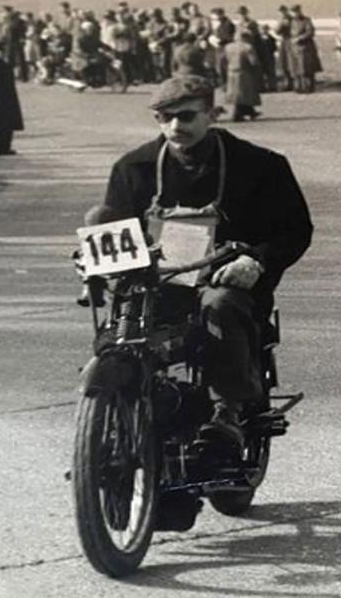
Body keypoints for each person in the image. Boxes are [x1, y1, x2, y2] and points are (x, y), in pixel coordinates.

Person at [101, 75, 312, 449]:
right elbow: (113, 228)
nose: (174, 127)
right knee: (120, 322)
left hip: (227, 280)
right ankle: (113, 415)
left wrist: (257, 260)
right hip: (158, 283)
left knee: (219, 304)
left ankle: (227, 410)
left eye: (185, 116)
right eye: (163, 118)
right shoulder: (133, 169)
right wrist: (99, 264)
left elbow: (295, 229)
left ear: (212, 114)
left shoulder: (260, 165)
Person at [0, 43, 24, 155]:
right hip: (2, 98)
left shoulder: (1, 65)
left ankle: (5, 147)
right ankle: (2, 148)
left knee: (7, 125)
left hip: (6, 97)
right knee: (3, 125)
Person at [225, 31, 261, 121]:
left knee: (236, 93)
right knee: (244, 94)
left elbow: (225, 60)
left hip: (231, 72)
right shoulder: (247, 47)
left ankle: (249, 111)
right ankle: (238, 113)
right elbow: (253, 61)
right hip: (244, 72)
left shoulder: (228, 47)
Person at [289, 5, 322, 93]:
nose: (294, 14)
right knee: (297, 68)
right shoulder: (291, 21)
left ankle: (308, 87)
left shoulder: (306, 20)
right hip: (295, 48)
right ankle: (299, 87)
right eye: (293, 12)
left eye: (296, 12)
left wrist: (300, 38)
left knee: (306, 68)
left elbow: (310, 32)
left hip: (305, 47)